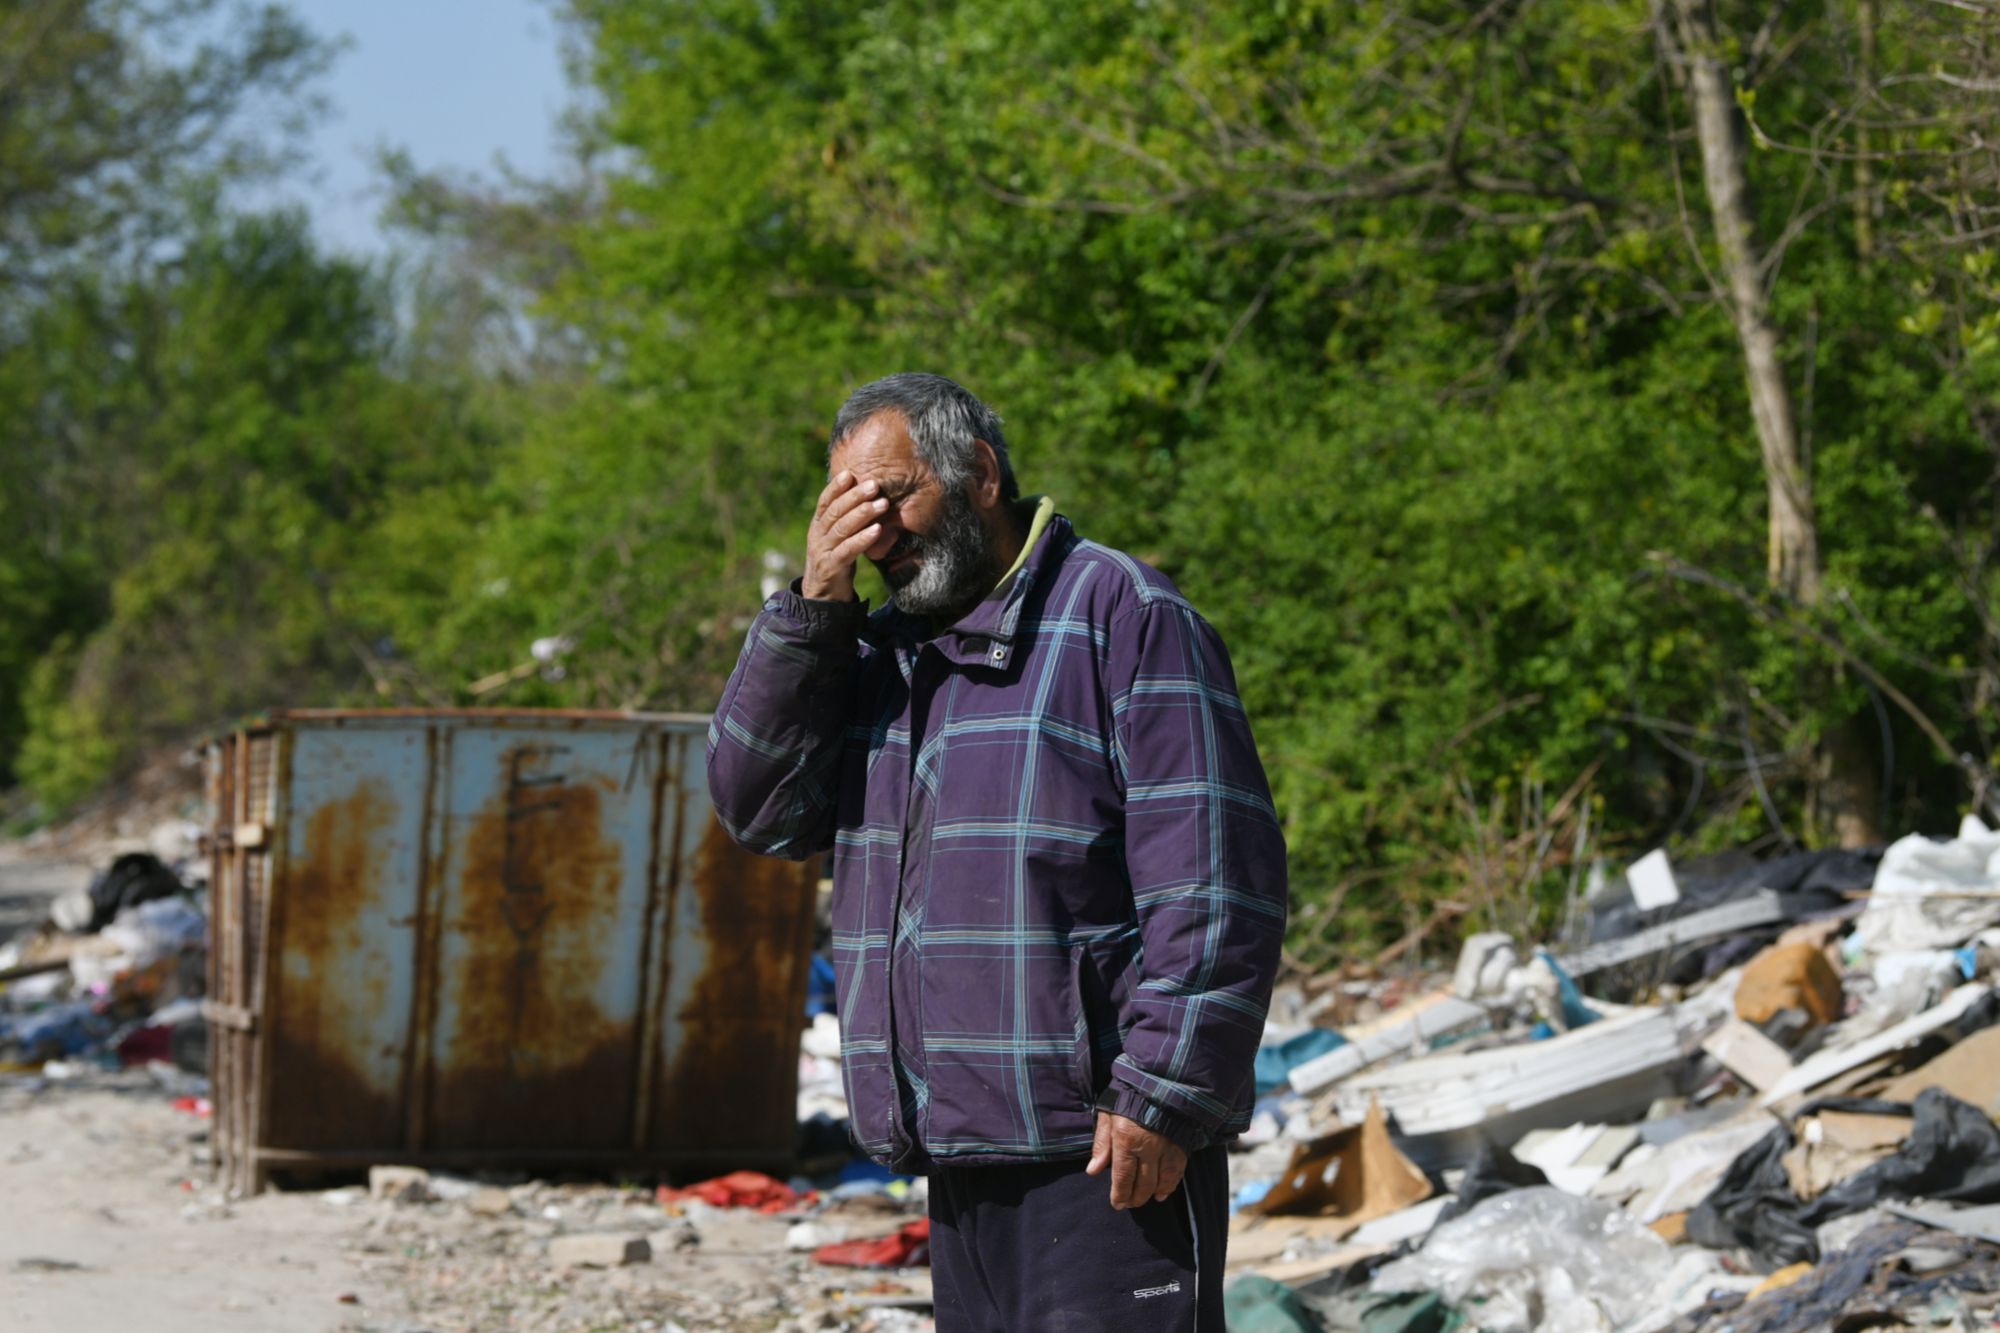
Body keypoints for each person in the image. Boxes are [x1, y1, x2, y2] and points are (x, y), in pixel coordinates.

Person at [707, 372, 1287, 1331]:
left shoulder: (1123, 615)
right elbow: (757, 807)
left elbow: (1218, 880)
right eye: (848, 505)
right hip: (960, 1156)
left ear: (979, 472)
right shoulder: (882, 653)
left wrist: (1165, 1094)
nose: (876, 531)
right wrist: (814, 608)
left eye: (893, 495)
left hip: (1106, 1157)